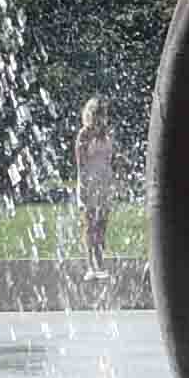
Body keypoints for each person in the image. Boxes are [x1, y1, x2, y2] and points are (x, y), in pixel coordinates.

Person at [73, 97, 114, 269]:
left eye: (103, 115)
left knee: (102, 223)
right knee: (90, 224)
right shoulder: (84, 134)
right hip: (89, 182)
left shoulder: (108, 135)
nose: (100, 119)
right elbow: (80, 161)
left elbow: (110, 158)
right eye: (97, 115)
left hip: (104, 182)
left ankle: (100, 256)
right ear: (89, 115)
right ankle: (92, 262)